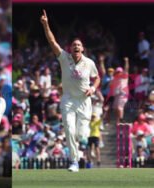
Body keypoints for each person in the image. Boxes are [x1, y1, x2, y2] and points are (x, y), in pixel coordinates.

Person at [41, 9, 100, 172]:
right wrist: (46, 25)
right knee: (68, 128)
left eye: (79, 45)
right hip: (68, 99)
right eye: (74, 44)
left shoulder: (89, 63)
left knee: (81, 135)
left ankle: (81, 147)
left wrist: (93, 88)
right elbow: (52, 42)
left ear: (82, 49)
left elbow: (97, 78)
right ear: (71, 48)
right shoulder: (64, 58)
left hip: (84, 101)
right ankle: (74, 162)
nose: (76, 46)